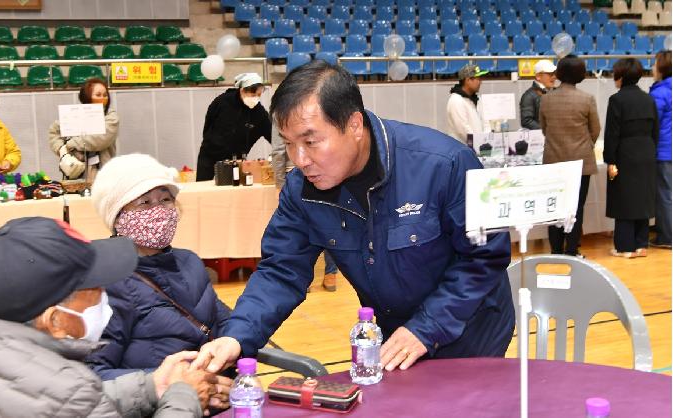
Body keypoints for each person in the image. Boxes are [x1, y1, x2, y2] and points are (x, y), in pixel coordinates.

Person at [191, 62, 515, 375]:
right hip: (395, 340)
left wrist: (427, 328)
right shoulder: (302, 190)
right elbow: (281, 271)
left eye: (311, 142)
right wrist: (236, 336)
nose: (300, 160)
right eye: (289, 144)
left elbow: (483, 258)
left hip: (470, 333)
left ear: (354, 125)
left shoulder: (445, 164)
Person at [0, 217, 222, 417]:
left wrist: (151, 387)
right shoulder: (68, 384)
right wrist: (184, 397)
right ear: (55, 321)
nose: (106, 296)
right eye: (96, 290)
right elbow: (67, 399)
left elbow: (54, 404)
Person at [87, 154, 232, 396]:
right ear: (118, 216)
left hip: (215, 396)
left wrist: (228, 350)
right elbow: (92, 373)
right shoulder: (108, 281)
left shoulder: (189, 261)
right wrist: (165, 383)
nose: (159, 211)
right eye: (144, 203)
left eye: (166, 199)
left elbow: (224, 321)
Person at [539, 55, 601, 257]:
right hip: (581, 162)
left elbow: (544, 129)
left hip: (553, 160)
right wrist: (584, 145)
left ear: (559, 73)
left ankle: (556, 250)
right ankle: (572, 250)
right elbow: (595, 130)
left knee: (555, 206)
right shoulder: (587, 99)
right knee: (576, 207)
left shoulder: (546, 99)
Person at [271, 124, 338, 291]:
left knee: (302, 229)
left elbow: (278, 151)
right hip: (326, 171)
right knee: (332, 223)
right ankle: (331, 275)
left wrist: (280, 183)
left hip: (296, 174)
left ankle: (304, 276)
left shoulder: (282, 116)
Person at [604, 58, 659, 258]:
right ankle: (641, 244)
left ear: (621, 77)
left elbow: (612, 134)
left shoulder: (616, 100)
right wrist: (650, 151)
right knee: (643, 198)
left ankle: (625, 246)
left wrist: (610, 160)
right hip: (646, 151)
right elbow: (656, 131)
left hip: (625, 152)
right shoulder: (648, 99)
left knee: (624, 199)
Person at [196, 73, 272, 181]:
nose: (256, 98)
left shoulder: (260, 114)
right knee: (202, 187)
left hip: (236, 161)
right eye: (253, 94)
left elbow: (273, 136)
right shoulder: (222, 102)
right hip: (209, 155)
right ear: (242, 90)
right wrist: (211, 142)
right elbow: (208, 124)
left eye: (259, 95)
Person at [48, 78, 119, 182]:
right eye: (98, 95)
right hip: (76, 172)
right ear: (87, 96)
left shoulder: (111, 117)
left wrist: (70, 144)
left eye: (105, 95)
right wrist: (62, 150)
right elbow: (54, 131)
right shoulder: (75, 114)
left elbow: (100, 139)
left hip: (101, 172)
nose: (103, 98)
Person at [649, 50, 672, 249]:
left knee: (664, 194)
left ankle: (667, 237)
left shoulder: (660, 92)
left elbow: (651, 122)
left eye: (655, 64)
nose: (652, 68)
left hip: (664, 151)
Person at [446, 64, 491, 144]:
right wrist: (480, 144)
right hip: (463, 151)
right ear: (467, 80)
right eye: (477, 79)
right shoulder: (456, 100)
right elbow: (463, 130)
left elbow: (485, 122)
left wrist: (487, 140)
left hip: (478, 148)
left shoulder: (477, 98)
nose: (480, 82)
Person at [519, 59, 557, 130]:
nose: (554, 77)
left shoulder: (556, 91)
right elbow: (526, 121)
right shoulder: (528, 96)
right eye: (550, 74)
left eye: (555, 73)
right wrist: (548, 131)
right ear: (538, 76)